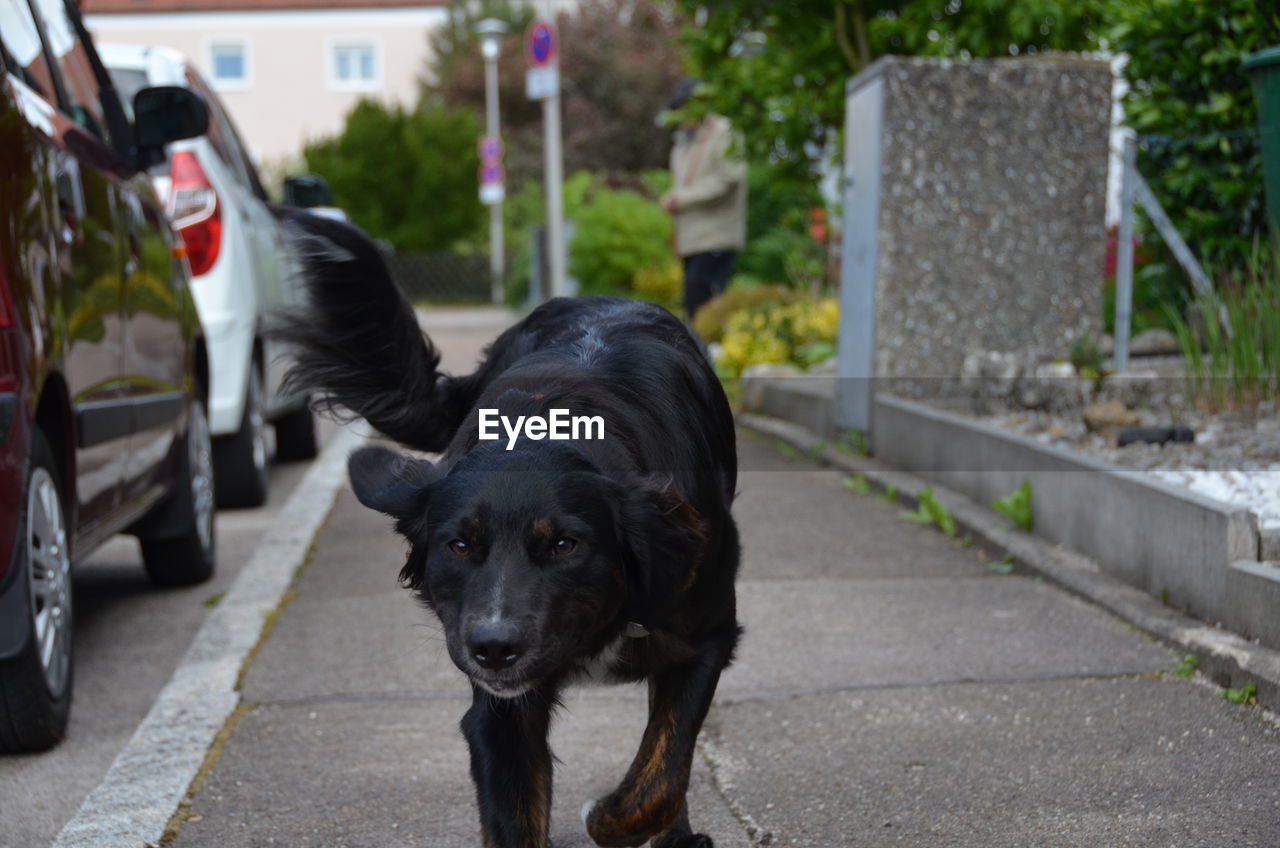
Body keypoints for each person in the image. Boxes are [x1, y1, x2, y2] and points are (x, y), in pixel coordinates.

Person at [660, 79, 747, 326]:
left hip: (715, 236)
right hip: (691, 239)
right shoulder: (681, 143)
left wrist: (681, 199)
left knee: (703, 300)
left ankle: (710, 357)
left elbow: (730, 177)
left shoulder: (724, 133)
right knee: (693, 303)